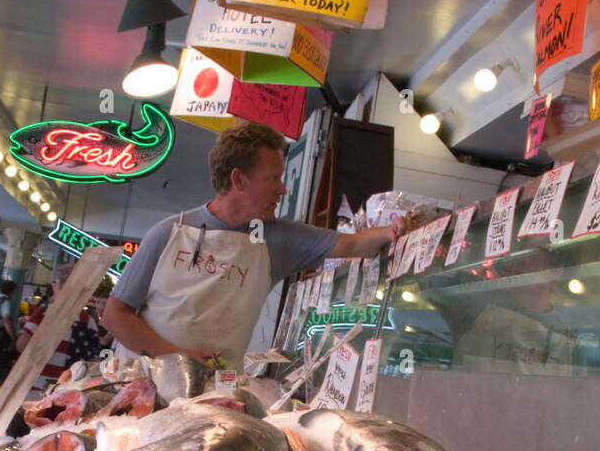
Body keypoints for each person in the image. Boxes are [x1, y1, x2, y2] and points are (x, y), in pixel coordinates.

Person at [102, 121, 423, 370]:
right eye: (273, 179)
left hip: (214, 393)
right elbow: (115, 315)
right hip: (145, 383)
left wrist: (393, 230)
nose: (282, 190)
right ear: (239, 180)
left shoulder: (278, 239)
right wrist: (178, 358)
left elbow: (355, 244)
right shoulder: (168, 233)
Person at [16, 265, 110, 394]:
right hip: (71, 392)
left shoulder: (44, 313)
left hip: (36, 388)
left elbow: (22, 345)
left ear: (57, 286)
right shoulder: (87, 321)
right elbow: (94, 362)